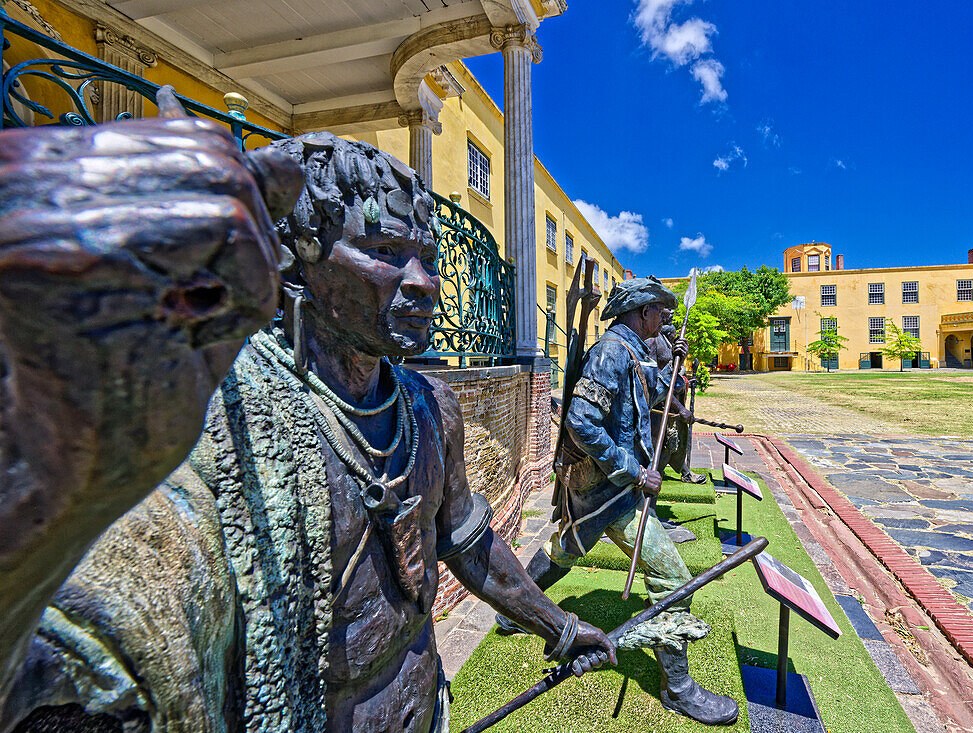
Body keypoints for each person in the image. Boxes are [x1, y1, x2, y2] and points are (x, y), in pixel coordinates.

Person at [0, 111, 613, 731]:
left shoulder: (431, 409)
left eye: (427, 259)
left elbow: (467, 540)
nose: (424, 283)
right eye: (384, 253)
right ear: (297, 261)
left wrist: (560, 626)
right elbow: (90, 639)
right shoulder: (222, 428)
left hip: (426, 707)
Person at [496, 278, 739, 726]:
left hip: (609, 489)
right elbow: (580, 422)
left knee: (565, 549)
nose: (665, 319)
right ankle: (679, 689)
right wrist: (633, 469)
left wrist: (674, 366)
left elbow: (647, 395)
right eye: (660, 312)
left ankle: (514, 612)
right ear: (641, 312)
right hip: (608, 492)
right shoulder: (611, 352)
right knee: (672, 577)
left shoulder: (635, 350)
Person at [646, 307, 708, 484]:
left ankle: (684, 471)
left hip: (673, 403)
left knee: (675, 439)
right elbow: (655, 383)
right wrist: (680, 408)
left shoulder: (666, 339)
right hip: (660, 406)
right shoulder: (652, 341)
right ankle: (648, 491)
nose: (671, 313)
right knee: (660, 445)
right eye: (665, 310)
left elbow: (674, 370)